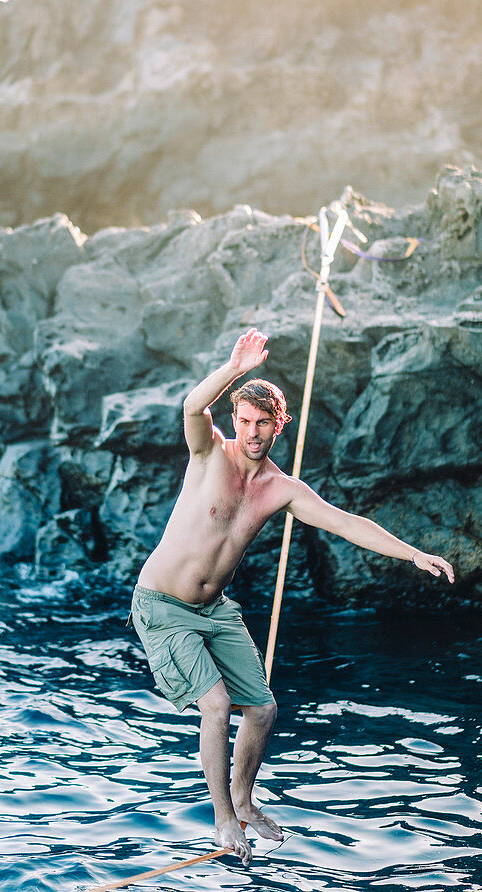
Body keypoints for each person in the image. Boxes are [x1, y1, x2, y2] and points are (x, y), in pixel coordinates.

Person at [131, 328, 454, 865]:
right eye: (245, 420)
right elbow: (192, 405)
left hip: (213, 610)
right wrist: (235, 367)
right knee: (215, 707)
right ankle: (222, 820)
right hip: (163, 606)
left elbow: (348, 524)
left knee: (261, 710)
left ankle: (244, 799)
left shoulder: (283, 490)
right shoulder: (208, 453)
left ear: (279, 426)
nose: (252, 432)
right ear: (234, 421)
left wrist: (412, 554)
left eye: (263, 423)